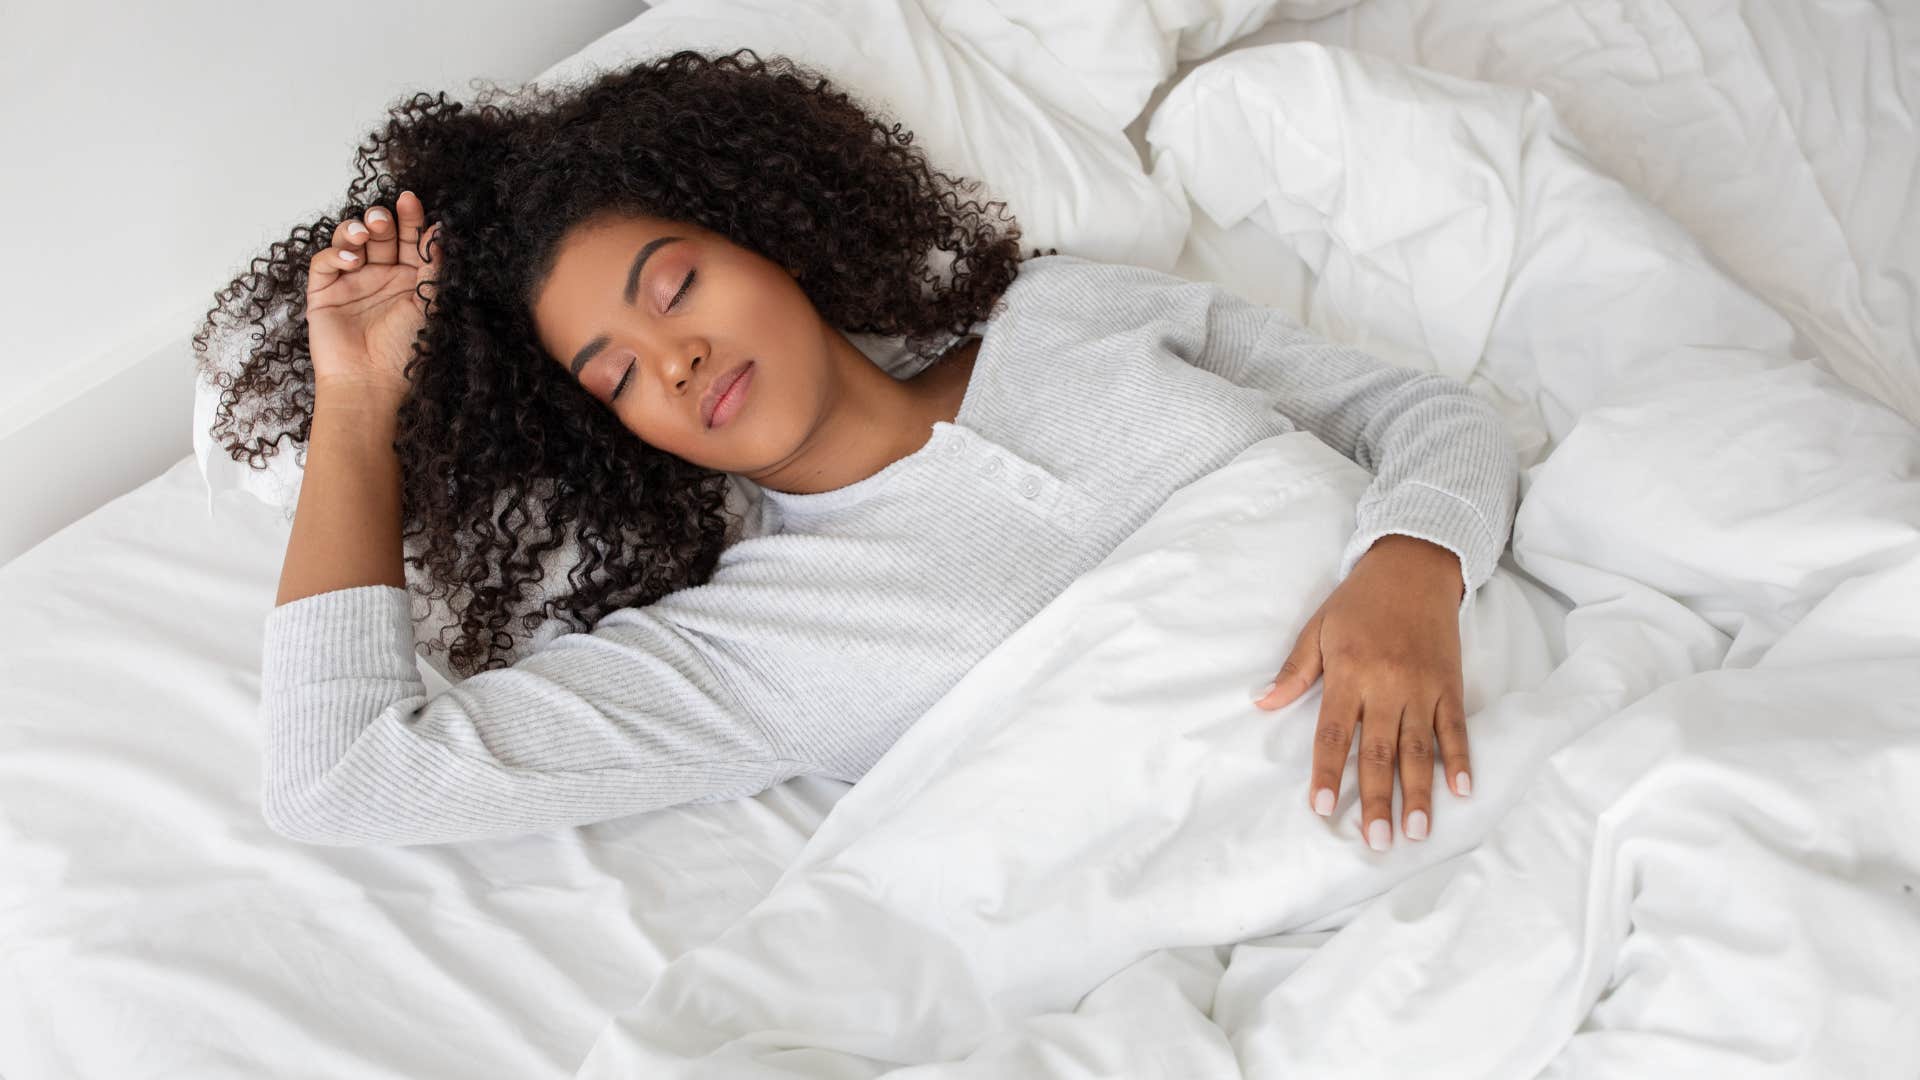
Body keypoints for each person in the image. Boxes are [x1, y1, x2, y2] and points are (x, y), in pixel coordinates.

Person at [196, 48, 1517, 852]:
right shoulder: (749, 648)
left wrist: (1411, 559)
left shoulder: (1064, 316)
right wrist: (364, 399)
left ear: (764, 229)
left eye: (675, 288)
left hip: (1519, 709)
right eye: (617, 374)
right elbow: (338, 776)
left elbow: (1423, 417)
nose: (675, 361)